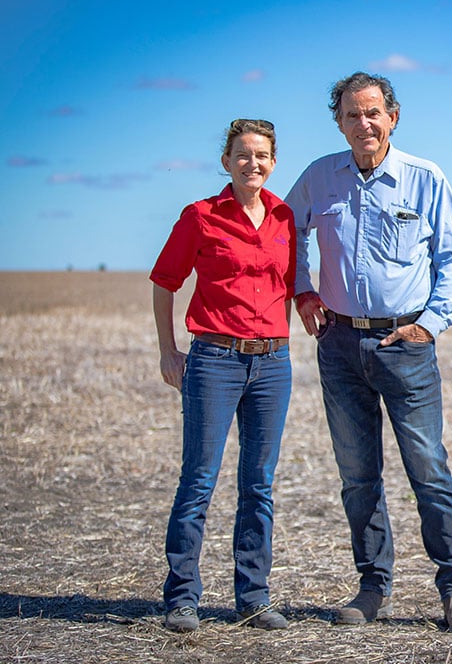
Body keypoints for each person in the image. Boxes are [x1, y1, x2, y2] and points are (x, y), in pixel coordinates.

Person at [285, 72, 452, 634]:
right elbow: (286, 232)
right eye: (352, 115)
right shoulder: (319, 178)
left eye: (373, 113)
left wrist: (431, 324)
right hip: (340, 342)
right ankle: (372, 587)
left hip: (406, 345)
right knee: (357, 474)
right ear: (339, 121)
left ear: (393, 117)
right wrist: (303, 291)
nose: (363, 124)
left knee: (429, 468)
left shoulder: (425, 179)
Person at [151, 118, 296, 633]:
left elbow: (293, 283)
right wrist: (170, 351)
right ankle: (182, 598)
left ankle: (253, 597)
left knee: (259, 484)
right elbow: (165, 281)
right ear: (226, 161)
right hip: (214, 359)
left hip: (273, 362)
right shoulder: (201, 216)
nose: (252, 163)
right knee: (199, 480)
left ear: (273, 162)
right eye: (242, 154)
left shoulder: (284, 217)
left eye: (261, 155)